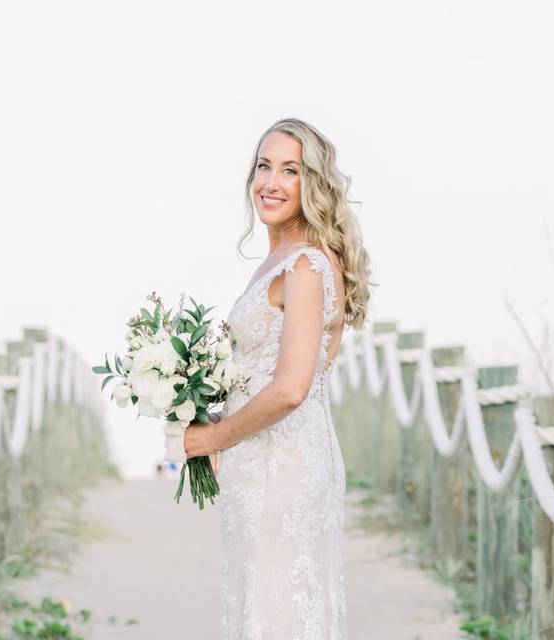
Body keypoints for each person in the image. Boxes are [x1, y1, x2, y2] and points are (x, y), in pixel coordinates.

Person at [183, 117, 372, 639]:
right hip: (263, 463)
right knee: (265, 613)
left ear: (312, 184)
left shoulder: (306, 267)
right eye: (264, 166)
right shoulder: (281, 259)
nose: (271, 182)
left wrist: (211, 438)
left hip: (282, 470)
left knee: (279, 617)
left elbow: (291, 388)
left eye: (290, 170)